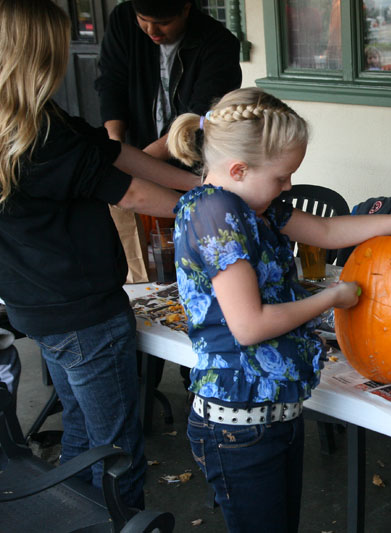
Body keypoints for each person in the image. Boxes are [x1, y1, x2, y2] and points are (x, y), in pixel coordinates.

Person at [166, 87, 391, 533]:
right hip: (239, 427)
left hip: (273, 415)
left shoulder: (251, 204)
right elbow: (248, 326)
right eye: (282, 178)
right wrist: (332, 298)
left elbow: (326, 229)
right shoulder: (216, 212)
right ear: (239, 168)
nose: (288, 188)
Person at [0, 0, 200, 509]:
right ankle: (115, 523)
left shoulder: (30, 123)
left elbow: (111, 152)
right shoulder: (39, 137)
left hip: (38, 310)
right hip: (84, 316)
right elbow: (128, 191)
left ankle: (77, 519)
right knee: (117, 451)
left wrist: (202, 186)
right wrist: (211, 210)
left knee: (84, 437)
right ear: (38, 55)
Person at [96, 0, 242, 161]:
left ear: (186, 9)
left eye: (164, 23)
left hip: (190, 157)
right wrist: (116, 145)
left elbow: (199, 116)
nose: (152, 30)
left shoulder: (219, 44)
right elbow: (112, 83)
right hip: (137, 148)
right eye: (143, 20)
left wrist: (137, 163)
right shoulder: (123, 20)